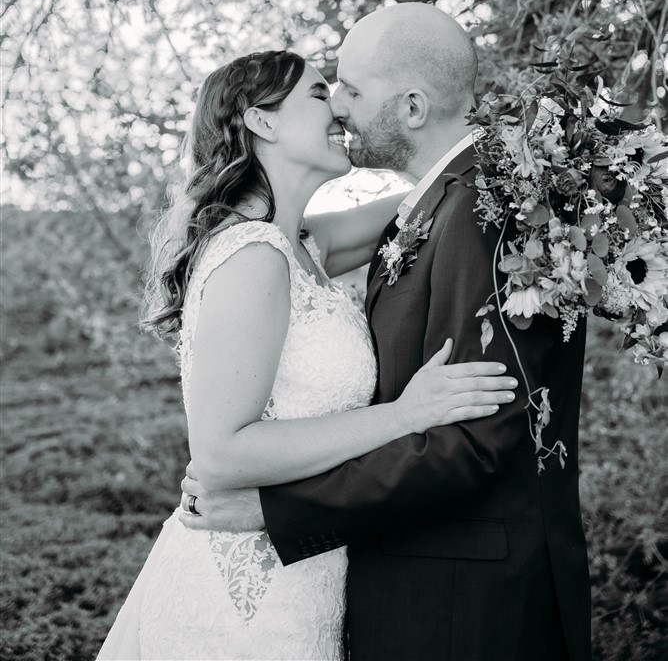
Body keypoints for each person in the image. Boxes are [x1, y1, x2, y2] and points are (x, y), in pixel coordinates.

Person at [182, 5, 593, 661]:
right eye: (325, 90)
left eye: (347, 87)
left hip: (468, 607)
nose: (339, 107)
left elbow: (469, 445)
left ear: (410, 107)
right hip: (401, 588)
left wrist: (279, 511)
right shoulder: (433, 207)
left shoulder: (491, 211)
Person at [97, 47, 516, 661]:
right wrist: (405, 415)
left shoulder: (306, 246)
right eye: (321, 95)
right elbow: (221, 455)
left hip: (311, 571)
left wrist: (498, 132)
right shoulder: (251, 256)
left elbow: (437, 192)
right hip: (245, 598)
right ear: (262, 122)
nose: (340, 111)